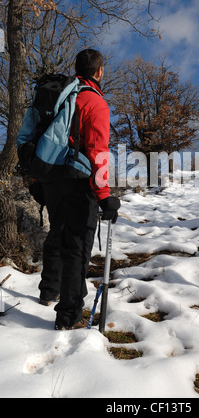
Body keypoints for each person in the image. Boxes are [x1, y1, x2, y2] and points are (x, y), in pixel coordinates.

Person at [38, 49, 120, 330]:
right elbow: (98, 153)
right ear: (99, 71)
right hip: (78, 180)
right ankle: (68, 316)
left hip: (51, 178)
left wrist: (38, 180)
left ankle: (48, 291)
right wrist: (104, 196)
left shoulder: (60, 97)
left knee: (57, 234)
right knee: (76, 248)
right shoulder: (94, 103)